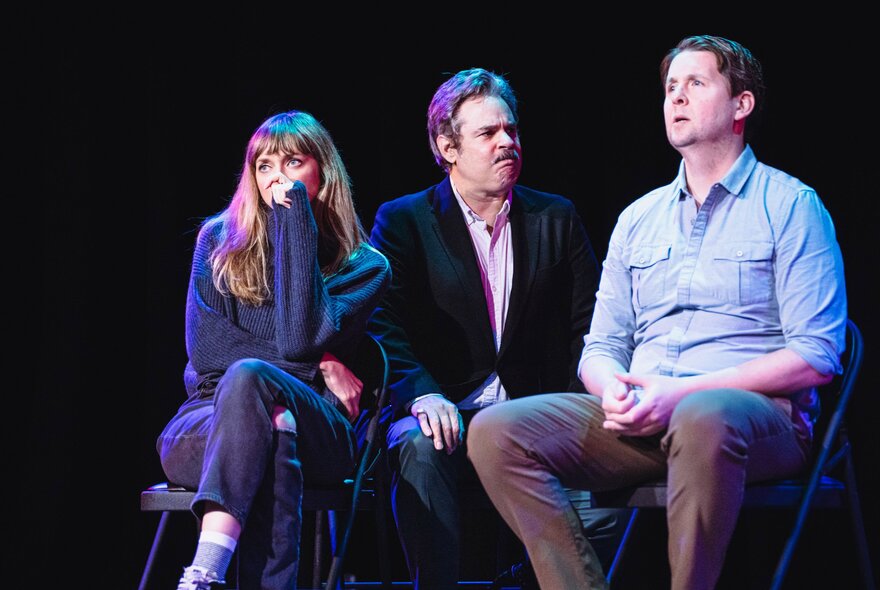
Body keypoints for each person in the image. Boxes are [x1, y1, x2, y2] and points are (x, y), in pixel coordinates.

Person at [468, 34, 847, 590]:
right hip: (644, 417)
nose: (676, 98)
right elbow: (600, 347)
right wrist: (612, 388)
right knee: (495, 431)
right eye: (670, 87)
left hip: (751, 420)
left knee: (703, 415)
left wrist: (683, 393)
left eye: (696, 84)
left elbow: (817, 356)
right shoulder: (639, 218)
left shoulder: (791, 206)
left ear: (741, 105)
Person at [367, 67, 624, 589]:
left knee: (616, 490)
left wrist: (578, 406)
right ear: (448, 146)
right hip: (446, 414)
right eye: (488, 133)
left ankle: (531, 578)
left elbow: (589, 327)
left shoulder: (556, 217)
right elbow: (382, 324)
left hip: (532, 419)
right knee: (418, 448)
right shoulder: (405, 221)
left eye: (512, 130)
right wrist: (422, 395)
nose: (507, 142)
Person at [156, 110, 390, 590]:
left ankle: (203, 572)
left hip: (319, 428)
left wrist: (294, 221)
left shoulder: (365, 266)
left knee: (261, 389)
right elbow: (208, 353)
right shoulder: (218, 241)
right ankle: (212, 574)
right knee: (268, 417)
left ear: (322, 172)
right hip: (209, 416)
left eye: (292, 162)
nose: (276, 177)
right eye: (263, 165)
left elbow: (299, 335)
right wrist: (321, 364)